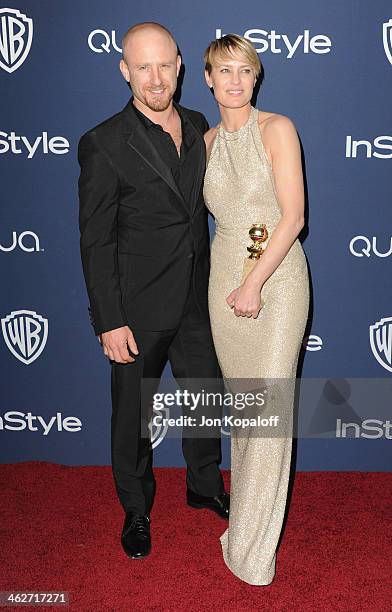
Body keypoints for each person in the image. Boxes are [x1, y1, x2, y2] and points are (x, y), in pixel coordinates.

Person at [77, 22, 229, 560]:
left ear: (181, 64)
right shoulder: (102, 143)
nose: (155, 77)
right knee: (131, 416)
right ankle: (136, 509)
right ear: (125, 71)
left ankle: (204, 485)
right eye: (143, 67)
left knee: (206, 397)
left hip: (197, 296)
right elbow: (95, 240)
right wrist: (108, 319)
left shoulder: (197, 122)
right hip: (136, 307)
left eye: (164, 64)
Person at [202, 34, 310, 585]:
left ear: (256, 77)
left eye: (245, 70)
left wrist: (254, 284)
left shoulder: (278, 128)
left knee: (268, 417)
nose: (235, 81)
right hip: (224, 283)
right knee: (245, 414)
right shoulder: (205, 141)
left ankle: (252, 550)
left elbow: (293, 217)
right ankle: (243, 523)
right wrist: (232, 286)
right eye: (225, 71)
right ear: (208, 79)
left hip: (275, 281)